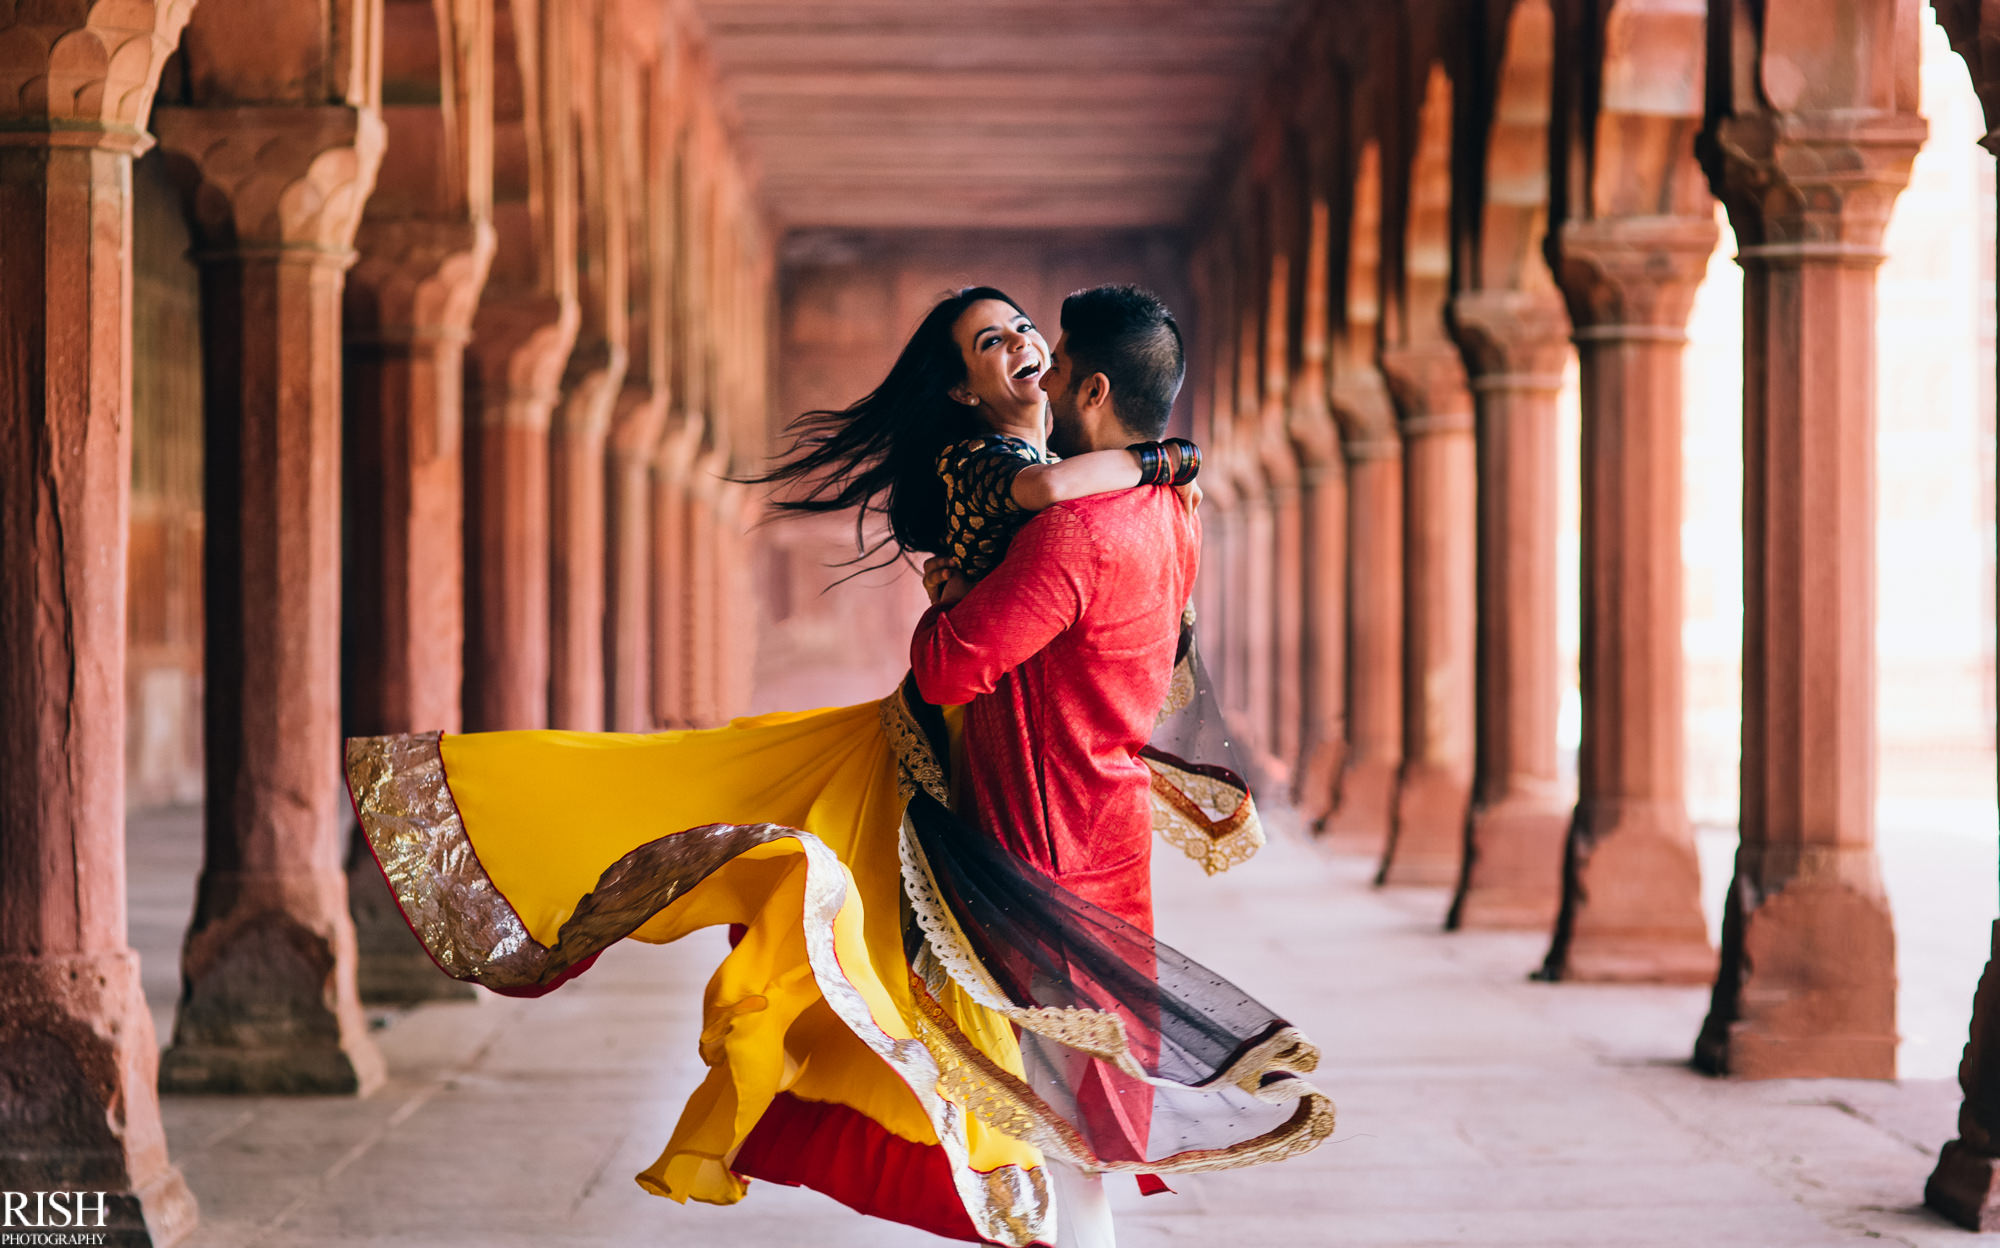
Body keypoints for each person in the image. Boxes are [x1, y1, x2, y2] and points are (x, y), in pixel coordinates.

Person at [343, 286, 1327, 1248]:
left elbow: (947, 668)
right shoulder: (1160, 505)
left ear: (1094, 391)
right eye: (1001, 342)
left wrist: (951, 598)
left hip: (1026, 825)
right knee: (1060, 1088)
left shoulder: (1077, 524)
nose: (1035, 355)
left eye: (1047, 347)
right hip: (1081, 814)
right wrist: (1158, 462)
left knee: (1043, 1086)